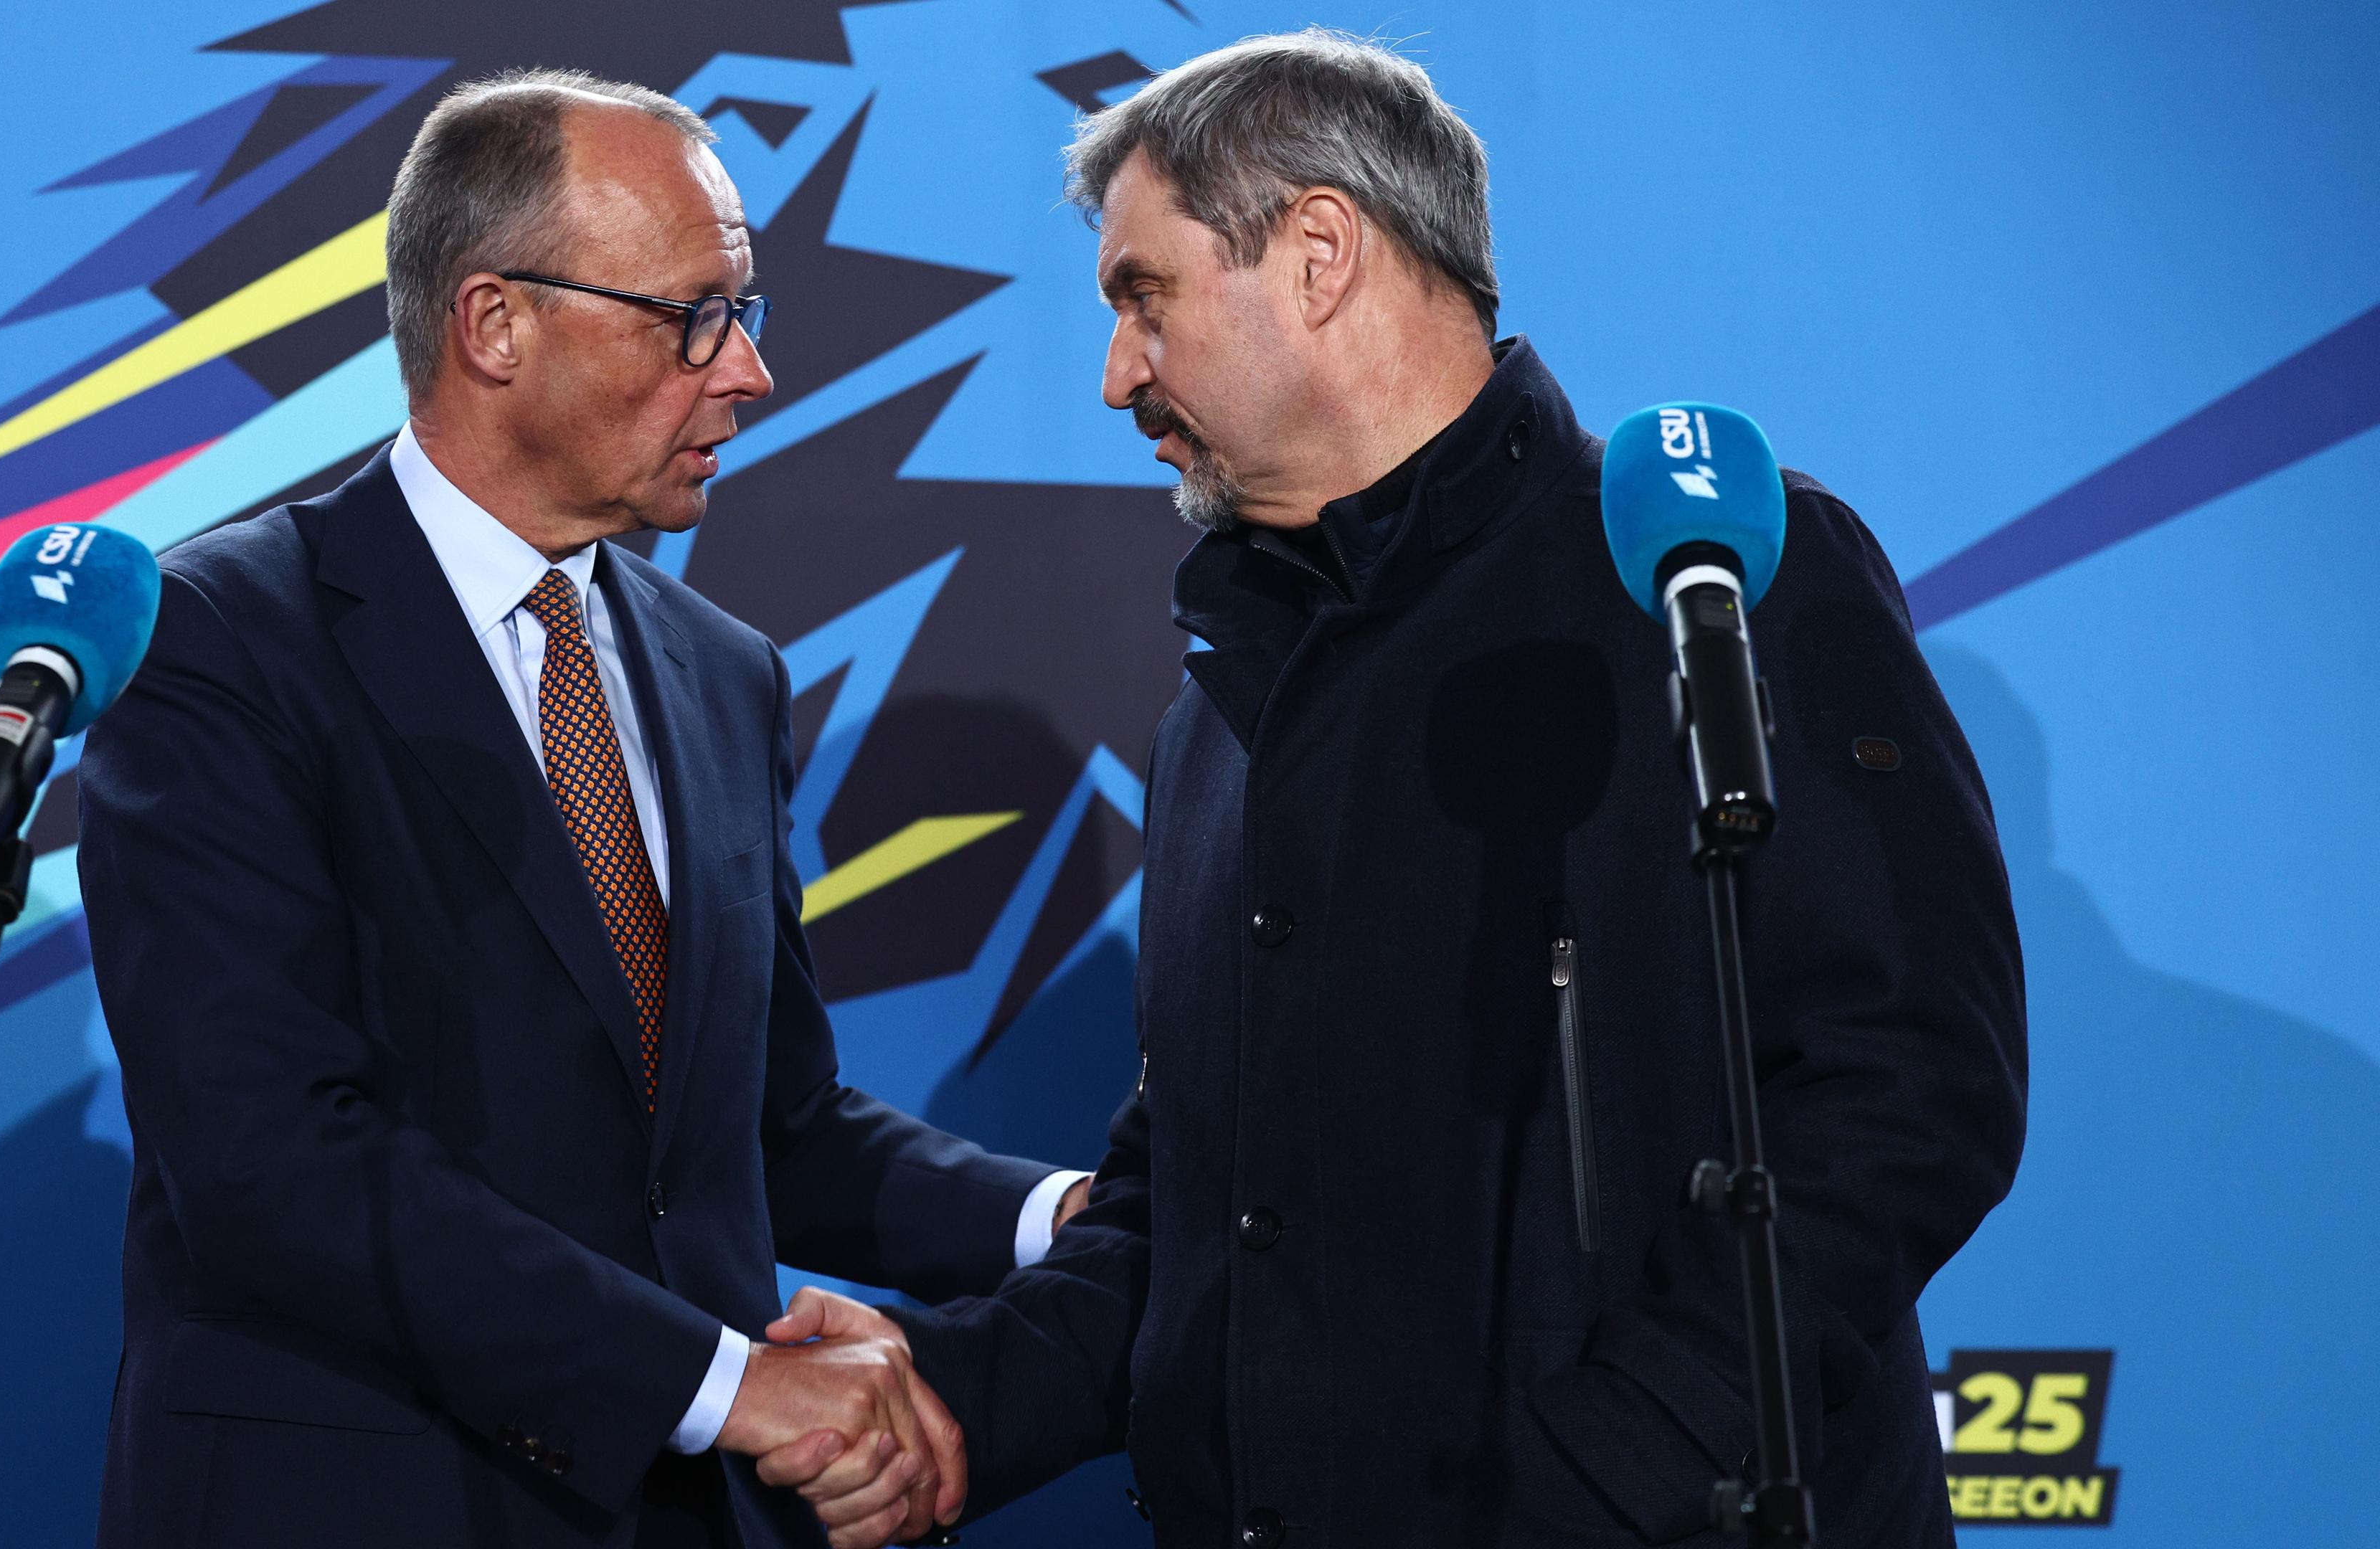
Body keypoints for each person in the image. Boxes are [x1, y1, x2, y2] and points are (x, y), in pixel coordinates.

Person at [783, 30, 2029, 1547]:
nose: (1117, 374)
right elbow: (1198, 1212)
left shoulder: (1707, 586)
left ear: (1318, 252)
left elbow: (1910, 1089)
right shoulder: (1219, 717)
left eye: (1142, 296)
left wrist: (1609, 1467)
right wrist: (956, 1397)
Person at [77, 69, 1088, 1549]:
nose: (745, 373)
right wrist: (723, 1384)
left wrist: (1050, 1220)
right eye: (693, 316)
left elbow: (761, 1129)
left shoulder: (721, 673)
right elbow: (267, 1160)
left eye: (746, 314)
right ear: (495, 324)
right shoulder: (221, 641)